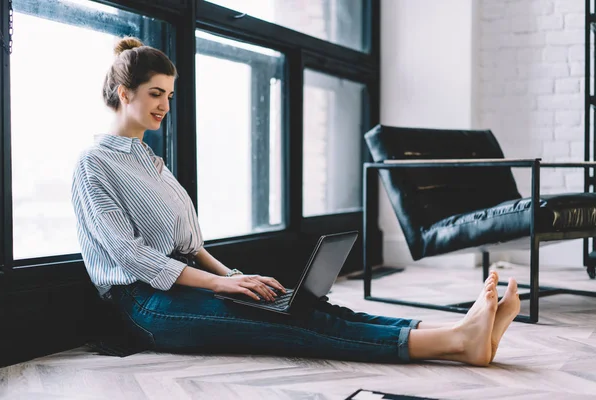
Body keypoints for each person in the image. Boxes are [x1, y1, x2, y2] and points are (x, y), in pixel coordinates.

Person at [71, 37, 521, 367]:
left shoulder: (152, 163)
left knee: (302, 305)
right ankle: (458, 342)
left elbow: (189, 244)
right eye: (156, 94)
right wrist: (221, 285)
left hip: (185, 286)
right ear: (124, 92)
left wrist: (234, 276)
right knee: (291, 325)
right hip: (143, 307)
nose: (165, 105)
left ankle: (456, 332)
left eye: (169, 95)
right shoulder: (94, 164)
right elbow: (130, 255)